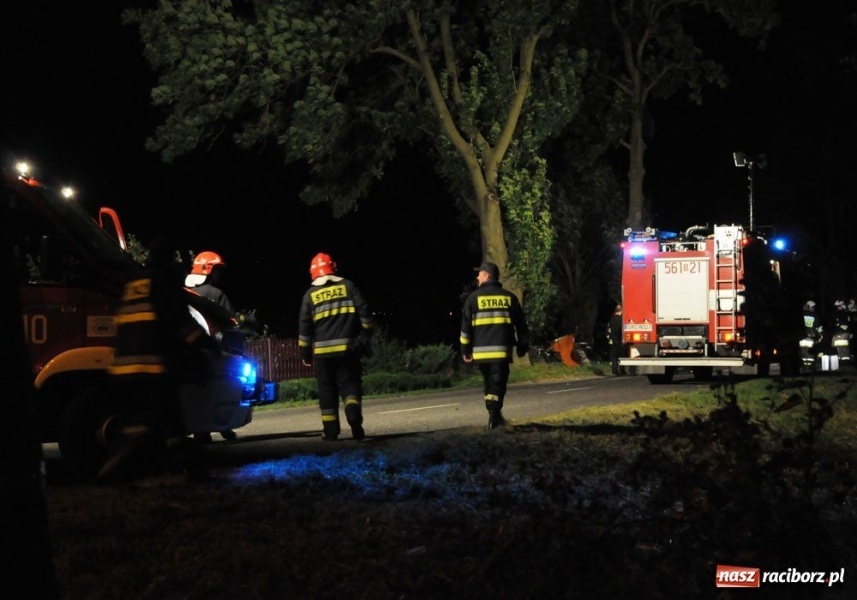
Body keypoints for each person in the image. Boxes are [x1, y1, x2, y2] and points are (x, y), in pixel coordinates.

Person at [99, 237, 218, 483]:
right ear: (168, 260)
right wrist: (208, 346)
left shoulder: (134, 283)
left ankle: (197, 475)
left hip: (125, 367)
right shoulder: (162, 282)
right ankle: (115, 467)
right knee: (149, 423)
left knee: (170, 424)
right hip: (151, 366)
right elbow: (181, 324)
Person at [184, 250, 258, 442]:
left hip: (193, 350)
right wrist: (247, 321)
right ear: (209, 270)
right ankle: (225, 427)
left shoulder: (185, 292)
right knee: (225, 386)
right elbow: (232, 321)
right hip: (218, 348)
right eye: (217, 271)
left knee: (200, 390)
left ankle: (202, 432)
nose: (219, 275)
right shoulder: (216, 294)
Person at [298, 252, 373, 441]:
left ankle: (331, 432)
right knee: (350, 386)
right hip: (348, 350)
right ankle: (353, 414)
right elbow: (365, 314)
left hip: (323, 354)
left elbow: (305, 328)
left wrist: (305, 353)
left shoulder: (310, 295)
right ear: (334, 267)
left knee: (327, 391)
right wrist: (365, 335)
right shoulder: (348, 286)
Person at [460, 261, 529, 429]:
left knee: (490, 384)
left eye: (480, 273)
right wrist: (522, 344)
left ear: (488, 276)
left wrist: (465, 350)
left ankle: (494, 416)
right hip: (501, 352)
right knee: (498, 384)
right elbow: (521, 324)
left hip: (481, 354)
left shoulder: (473, 298)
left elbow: (465, 328)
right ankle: (494, 417)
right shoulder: (509, 297)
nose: (477, 277)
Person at [607, 303, 627, 376]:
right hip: (619, 340)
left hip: (612, 340)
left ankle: (614, 371)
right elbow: (621, 330)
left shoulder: (611, 319)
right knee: (621, 356)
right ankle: (622, 370)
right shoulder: (621, 320)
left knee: (613, 357)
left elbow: (608, 330)